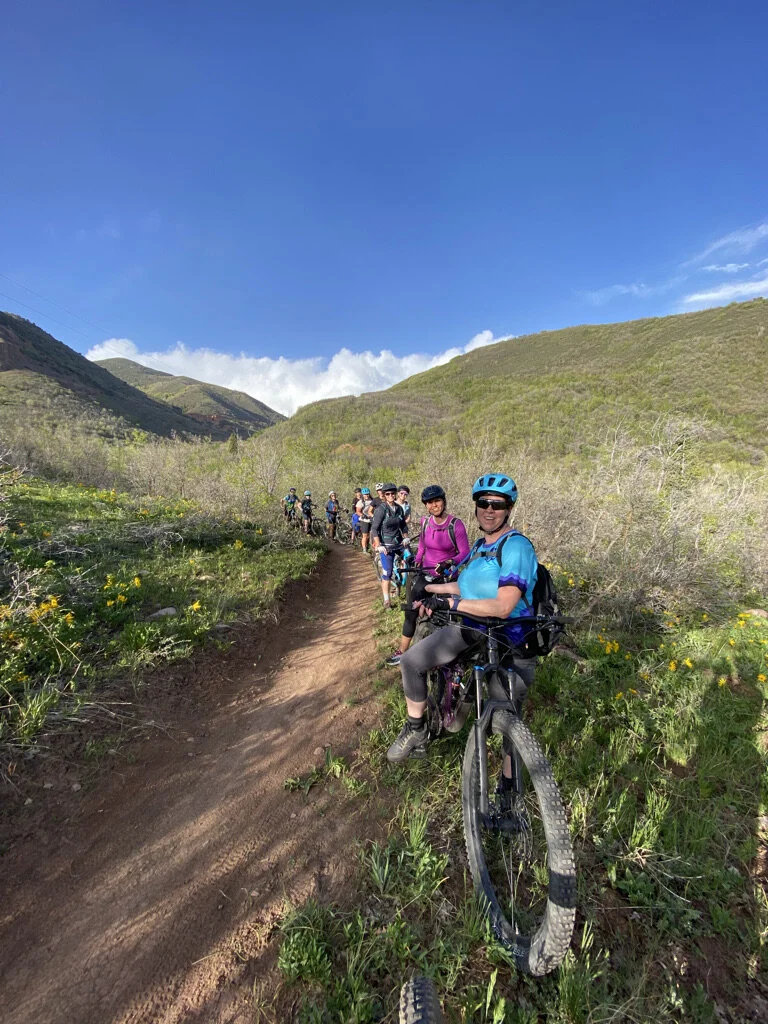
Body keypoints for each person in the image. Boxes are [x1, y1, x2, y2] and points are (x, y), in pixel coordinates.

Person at [386, 473, 537, 773]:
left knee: (508, 719)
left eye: (497, 504)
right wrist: (430, 592)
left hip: (511, 640)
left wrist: (452, 604)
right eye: (484, 503)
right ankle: (416, 729)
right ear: (477, 506)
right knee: (412, 661)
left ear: (509, 508)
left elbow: (504, 605)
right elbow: (464, 586)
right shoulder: (480, 547)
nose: (489, 509)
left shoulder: (516, 546)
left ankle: (509, 791)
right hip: (473, 629)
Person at [386, 484, 470, 666]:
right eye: (429, 503)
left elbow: (465, 553)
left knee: (450, 617)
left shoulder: (456, 525)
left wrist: (450, 562)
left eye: (437, 501)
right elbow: (423, 545)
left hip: (447, 579)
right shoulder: (425, 522)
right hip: (426, 574)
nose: (434, 505)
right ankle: (402, 651)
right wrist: (417, 560)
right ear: (425, 505)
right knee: (411, 611)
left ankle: (452, 659)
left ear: (444, 502)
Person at [371, 483, 408, 609]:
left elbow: (403, 525)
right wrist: (379, 544)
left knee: (412, 561)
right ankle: (386, 600)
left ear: (396, 494)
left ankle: (407, 585)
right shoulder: (381, 510)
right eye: (388, 494)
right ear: (384, 496)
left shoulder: (399, 508)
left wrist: (406, 536)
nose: (391, 496)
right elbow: (374, 529)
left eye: (393, 493)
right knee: (387, 572)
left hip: (398, 543)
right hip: (386, 545)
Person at [357, 487, 375, 554]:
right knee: (365, 535)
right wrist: (363, 515)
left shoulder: (373, 500)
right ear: (362, 495)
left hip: (372, 519)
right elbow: (358, 511)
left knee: (374, 534)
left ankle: (372, 548)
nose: (366, 495)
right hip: (364, 520)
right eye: (365, 494)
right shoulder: (360, 502)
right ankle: (364, 549)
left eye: (367, 494)